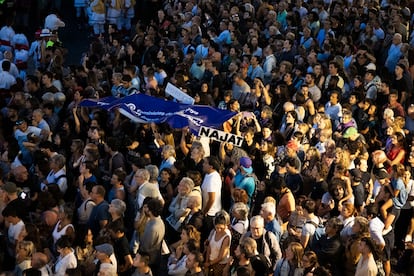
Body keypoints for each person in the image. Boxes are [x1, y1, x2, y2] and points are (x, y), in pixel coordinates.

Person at [139, 197, 165, 275]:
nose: (145, 210)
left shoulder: (153, 228)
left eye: (147, 208)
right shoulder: (159, 221)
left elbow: (145, 247)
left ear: (150, 211)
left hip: (149, 259)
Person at [204, 211, 231, 276]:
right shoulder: (213, 232)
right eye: (217, 228)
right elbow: (209, 247)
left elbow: (221, 256)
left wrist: (209, 263)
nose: (219, 230)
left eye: (221, 228)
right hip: (210, 261)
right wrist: (207, 261)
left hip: (220, 264)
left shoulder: (226, 237)